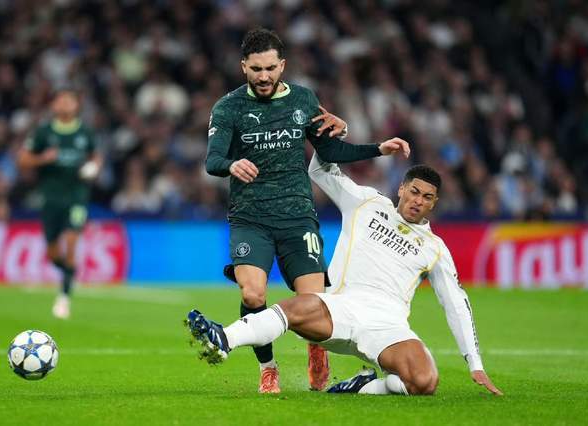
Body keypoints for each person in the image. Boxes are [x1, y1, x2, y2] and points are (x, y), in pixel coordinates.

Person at [188, 142, 503, 396]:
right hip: (340, 309)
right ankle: (223, 339)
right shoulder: (366, 202)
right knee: (297, 305)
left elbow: (455, 303)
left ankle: (365, 387)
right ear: (401, 189)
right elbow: (319, 170)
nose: (418, 201)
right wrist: (332, 134)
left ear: (434, 203)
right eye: (414, 191)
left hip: (388, 326)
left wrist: (474, 363)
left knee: (424, 382)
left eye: (427, 197)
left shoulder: (435, 248)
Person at [205, 27, 400, 393]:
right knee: (252, 295)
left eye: (270, 68)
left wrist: (378, 148)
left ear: (283, 65)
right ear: (243, 66)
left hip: (298, 217)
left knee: (314, 303)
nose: (264, 76)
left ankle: (316, 349)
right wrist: (231, 164)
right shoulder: (228, 107)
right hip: (251, 217)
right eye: (256, 69)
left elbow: (330, 151)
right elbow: (212, 160)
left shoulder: (303, 99)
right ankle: (268, 368)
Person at [18, 89, 102, 319]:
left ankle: (64, 298)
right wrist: (42, 159)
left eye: (69, 100)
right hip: (51, 198)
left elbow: (96, 156)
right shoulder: (44, 132)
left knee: (72, 242)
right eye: (61, 100)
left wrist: (94, 167)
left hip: (77, 196)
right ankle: (69, 273)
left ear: (77, 105)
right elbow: (22, 159)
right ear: (53, 105)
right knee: (53, 252)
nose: (65, 104)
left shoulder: (85, 132)